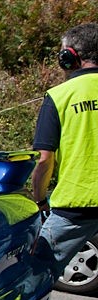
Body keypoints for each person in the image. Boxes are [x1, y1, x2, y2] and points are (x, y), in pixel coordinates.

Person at [31, 22, 98, 279]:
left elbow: (44, 160)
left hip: (76, 204)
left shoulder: (60, 95)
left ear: (69, 56)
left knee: (36, 274)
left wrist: (39, 200)